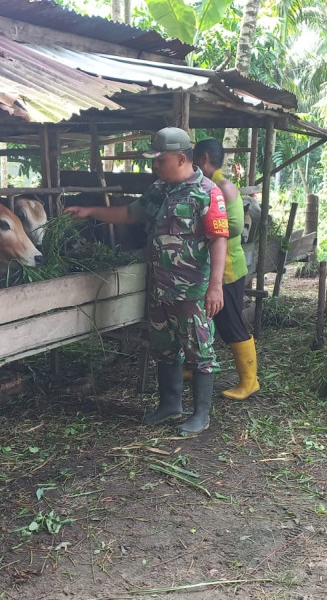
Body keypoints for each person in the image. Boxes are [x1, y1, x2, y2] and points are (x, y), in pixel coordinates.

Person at [65, 127, 228, 436]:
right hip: (160, 288)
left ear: (182, 158)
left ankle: (201, 414)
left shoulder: (208, 192)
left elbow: (219, 240)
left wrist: (215, 286)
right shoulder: (159, 190)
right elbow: (129, 214)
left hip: (191, 290)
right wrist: (90, 211)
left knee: (199, 352)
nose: (155, 166)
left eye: (160, 160)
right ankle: (170, 405)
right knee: (163, 348)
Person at [191, 139, 259, 400]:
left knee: (231, 324)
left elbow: (233, 227)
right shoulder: (207, 186)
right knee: (203, 320)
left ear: (204, 159)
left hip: (229, 268)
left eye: (196, 160)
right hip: (211, 269)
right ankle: (191, 367)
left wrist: (201, 227)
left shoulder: (225, 187)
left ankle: (249, 381)